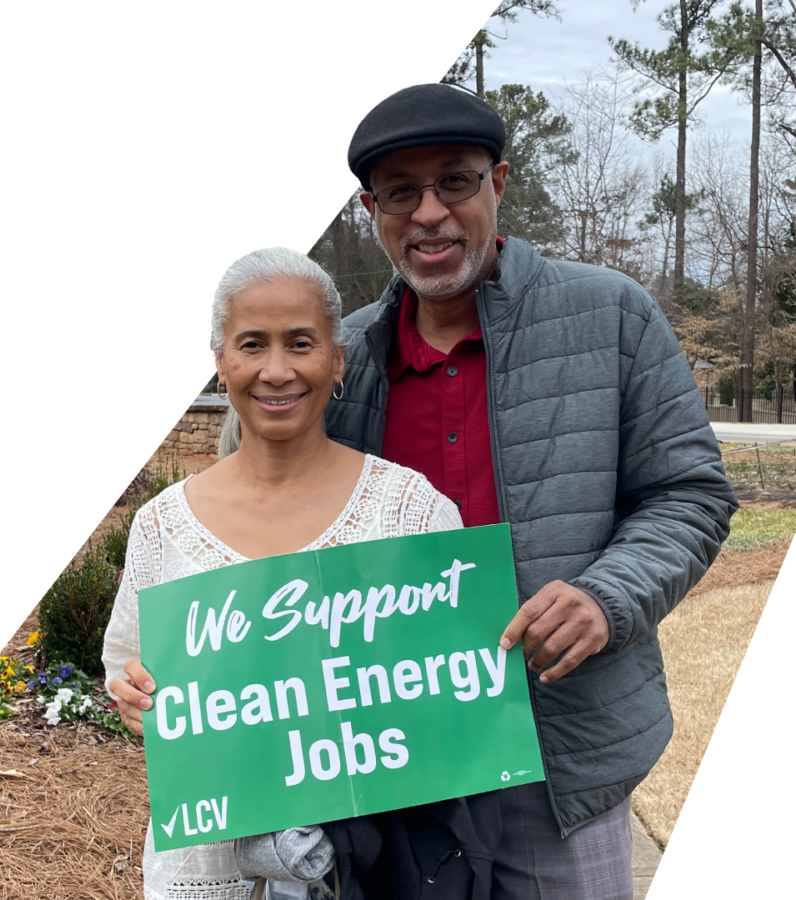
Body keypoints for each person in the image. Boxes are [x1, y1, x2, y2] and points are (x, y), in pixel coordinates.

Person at [214, 83, 739, 900]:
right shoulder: (338, 355)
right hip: (386, 754)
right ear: (371, 208)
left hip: (557, 750)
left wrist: (606, 597)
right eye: (402, 192)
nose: (429, 213)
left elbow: (691, 494)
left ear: (497, 183)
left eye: (454, 181)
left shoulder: (612, 317)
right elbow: (245, 513)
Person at [101, 246, 473, 900]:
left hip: (370, 874)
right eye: (252, 345)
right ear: (221, 362)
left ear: (338, 360)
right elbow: (128, 668)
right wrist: (135, 699)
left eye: (300, 343)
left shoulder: (411, 513)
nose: (276, 371)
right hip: (203, 874)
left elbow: (460, 699)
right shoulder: (163, 526)